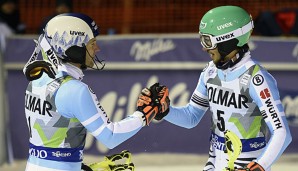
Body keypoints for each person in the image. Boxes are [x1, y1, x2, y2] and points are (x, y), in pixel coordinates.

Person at [147, 5, 292, 171]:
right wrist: (164, 111)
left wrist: (260, 166)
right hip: (215, 164)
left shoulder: (256, 78)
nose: (204, 47)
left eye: (208, 41)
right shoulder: (210, 72)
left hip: (245, 166)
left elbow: (282, 133)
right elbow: (191, 117)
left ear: (227, 40)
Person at [23, 13, 163, 171]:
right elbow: (110, 136)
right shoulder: (75, 90)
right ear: (73, 47)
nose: (97, 48)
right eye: (92, 43)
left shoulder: (36, 78)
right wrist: (145, 113)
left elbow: (47, 149)